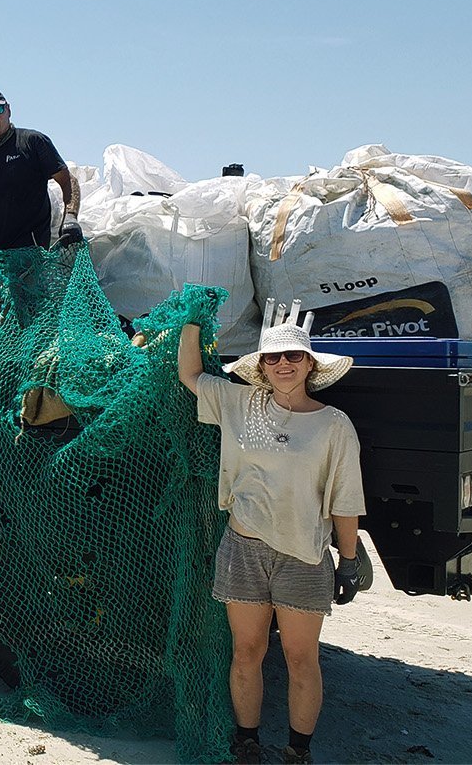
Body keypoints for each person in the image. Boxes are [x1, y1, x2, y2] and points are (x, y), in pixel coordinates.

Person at [177, 312, 369, 765]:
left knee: (301, 659)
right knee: (247, 652)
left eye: (293, 356)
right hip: (242, 550)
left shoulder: (334, 425)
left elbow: (345, 499)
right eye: (273, 358)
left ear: (309, 365)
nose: (283, 364)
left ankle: (297, 751)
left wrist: (349, 559)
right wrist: (189, 319)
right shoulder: (238, 403)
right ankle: (247, 741)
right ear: (261, 367)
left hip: (303, 556)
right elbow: (189, 374)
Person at [0, 86, 83, 273]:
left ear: (8, 110)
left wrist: (71, 216)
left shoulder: (33, 142)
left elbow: (68, 179)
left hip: (35, 257)